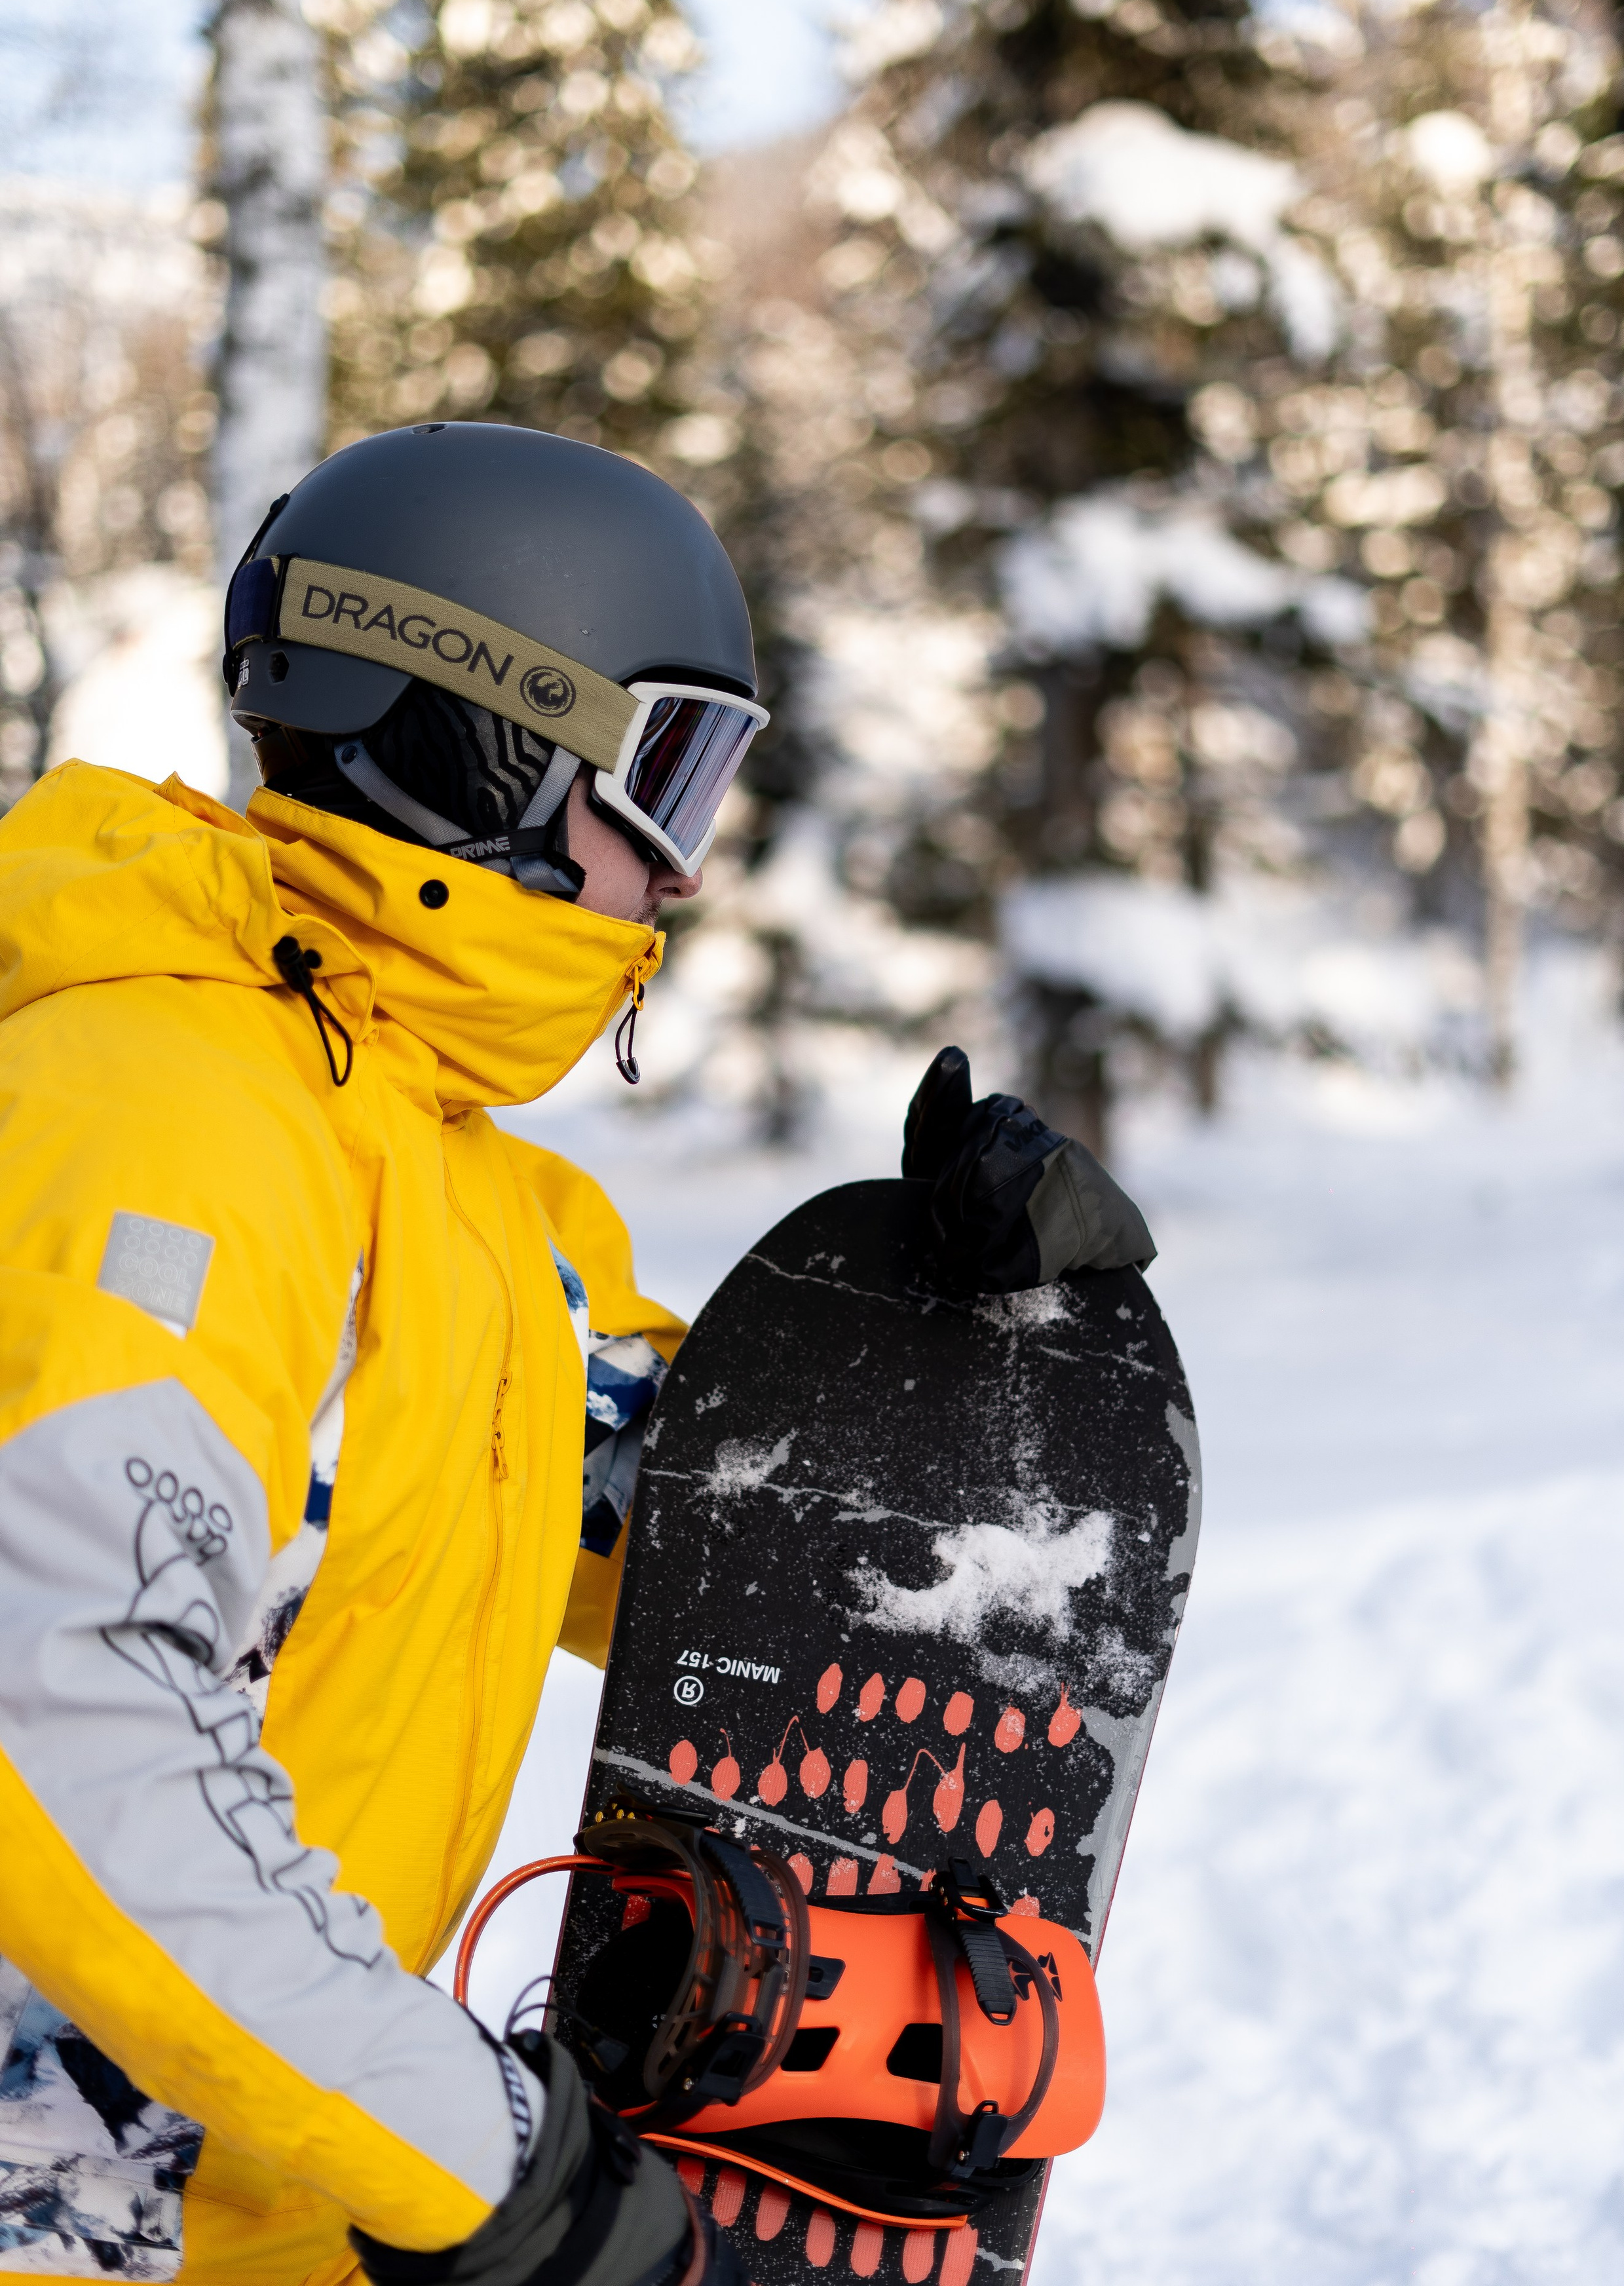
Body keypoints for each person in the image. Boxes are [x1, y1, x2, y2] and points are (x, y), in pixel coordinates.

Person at [0, 423, 1152, 2286]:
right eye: (668, 776)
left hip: (271, 2218)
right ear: (490, 744)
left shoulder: (460, 1188)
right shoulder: (160, 1119)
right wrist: (477, 2159)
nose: (682, 877)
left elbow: (692, 1555)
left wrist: (949, 1357)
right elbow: (62, 1717)